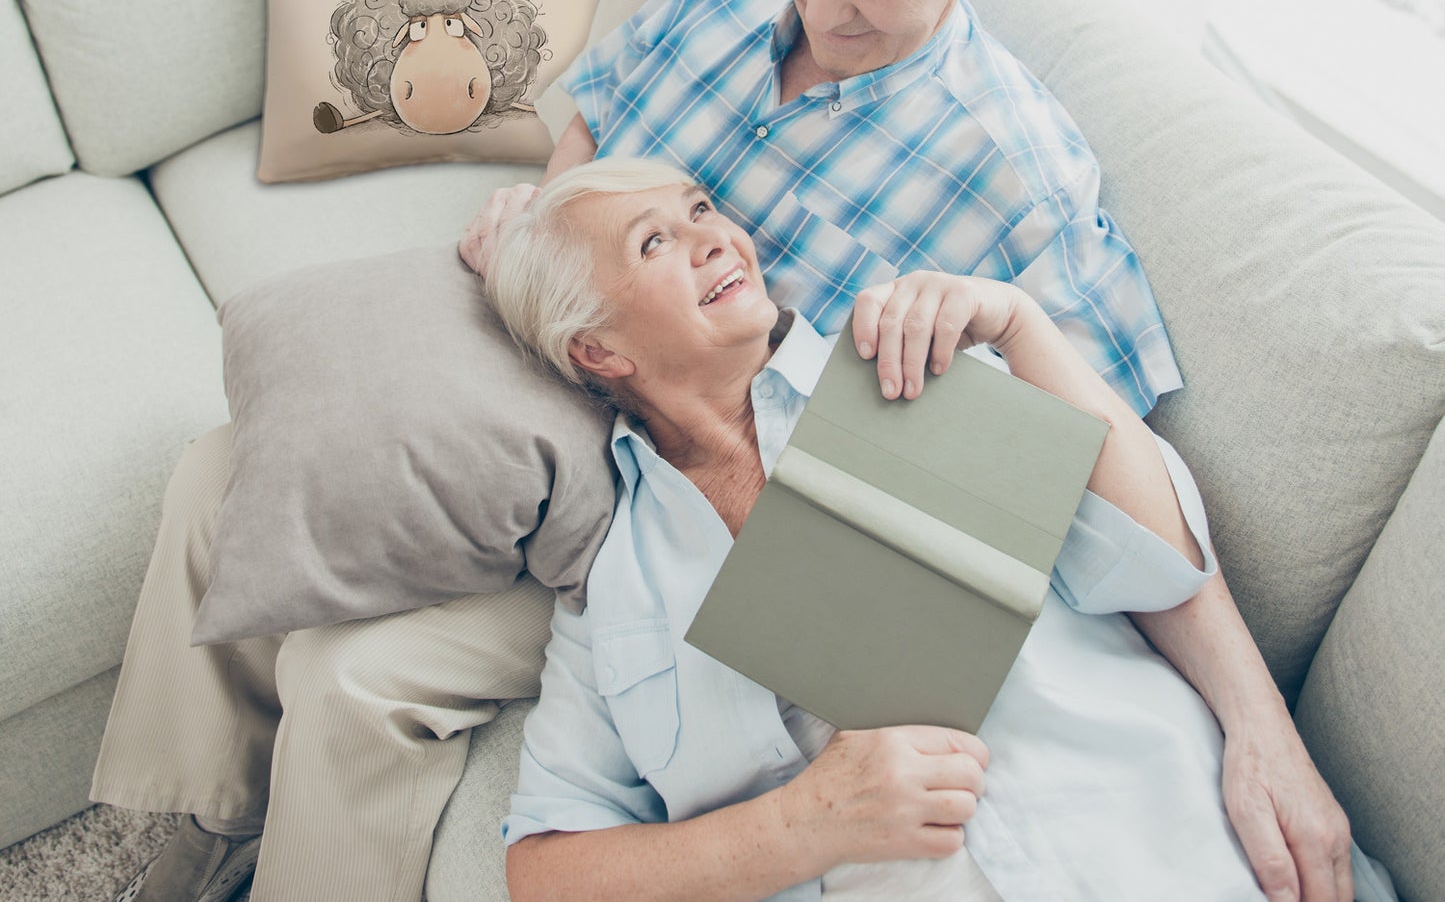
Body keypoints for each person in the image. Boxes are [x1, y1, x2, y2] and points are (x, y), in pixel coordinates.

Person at [94, 0, 1348, 902]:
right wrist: (545, 222)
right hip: (582, 346)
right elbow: (591, 129)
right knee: (229, 464)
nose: (818, 1)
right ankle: (193, 820)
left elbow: (1103, 478)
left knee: (355, 675)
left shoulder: (1016, 182)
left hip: (694, 471)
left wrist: (1260, 724)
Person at [486, 157, 1381, 902]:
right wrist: (802, 824)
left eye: (700, 209)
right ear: (597, 350)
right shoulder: (615, 589)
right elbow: (545, 870)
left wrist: (1021, 326)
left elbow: (1158, 562)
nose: (715, 236)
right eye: (655, 241)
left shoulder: (908, 364)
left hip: (1174, 848)